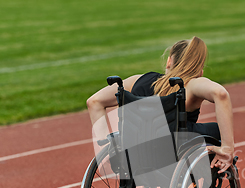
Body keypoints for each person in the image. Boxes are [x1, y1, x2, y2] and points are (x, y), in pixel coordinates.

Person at [86, 36, 234, 173]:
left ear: (169, 61)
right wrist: (227, 148)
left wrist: (105, 151)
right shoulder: (192, 85)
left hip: (134, 156)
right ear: (200, 71)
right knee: (216, 130)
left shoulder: (137, 81)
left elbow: (94, 102)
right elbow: (221, 94)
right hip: (171, 157)